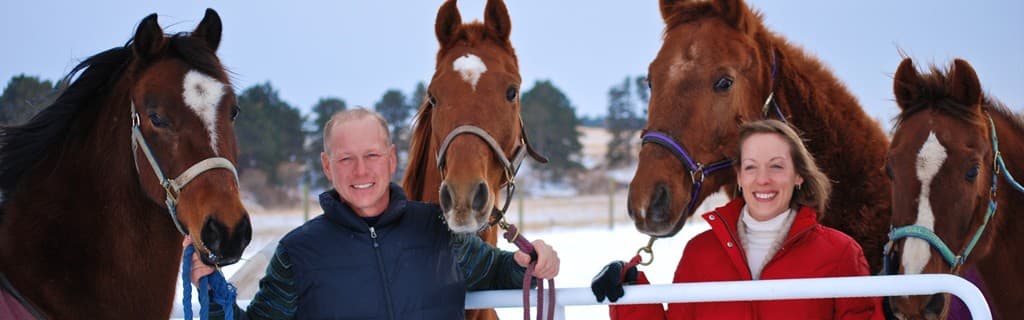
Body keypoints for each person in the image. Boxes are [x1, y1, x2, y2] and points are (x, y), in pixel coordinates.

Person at [185, 108, 559, 319]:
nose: (360, 172)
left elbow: (496, 271)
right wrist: (212, 288)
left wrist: (533, 261)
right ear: (327, 166)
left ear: (392, 159)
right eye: (346, 159)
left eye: (371, 156)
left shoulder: (436, 230)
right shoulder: (298, 253)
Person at [593, 119, 883, 319]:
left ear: (799, 176)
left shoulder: (841, 254)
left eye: (777, 166)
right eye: (751, 167)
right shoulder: (700, 253)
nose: (764, 180)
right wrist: (630, 290)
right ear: (740, 177)